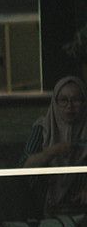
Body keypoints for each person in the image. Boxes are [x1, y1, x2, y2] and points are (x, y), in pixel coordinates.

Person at [18, 75, 87, 217]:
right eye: (63, 100)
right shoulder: (43, 128)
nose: (70, 106)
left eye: (76, 100)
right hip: (41, 206)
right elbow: (24, 167)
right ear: (55, 103)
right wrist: (51, 152)